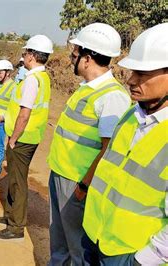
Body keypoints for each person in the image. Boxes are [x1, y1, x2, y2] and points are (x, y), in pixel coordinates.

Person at [82, 22, 168, 266]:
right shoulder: (131, 115)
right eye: (133, 72)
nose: (131, 80)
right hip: (95, 237)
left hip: (130, 254)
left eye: (143, 74)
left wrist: (141, 261)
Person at [47, 23, 131, 265]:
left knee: (77, 248)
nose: (71, 59)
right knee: (60, 240)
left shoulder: (111, 96)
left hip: (78, 181)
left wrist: (84, 186)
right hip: (63, 174)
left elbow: (109, 151)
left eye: (74, 54)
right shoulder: (88, 89)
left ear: (87, 58)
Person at [0, 35, 54, 241]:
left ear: (33, 56)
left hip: (22, 139)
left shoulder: (32, 81)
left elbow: (24, 114)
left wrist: (13, 138)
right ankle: (10, 216)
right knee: (15, 180)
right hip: (29, 137)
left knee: (18, 183)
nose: (24, 56)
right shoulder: (42, 77)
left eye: (26, 52)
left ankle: (16, 227)